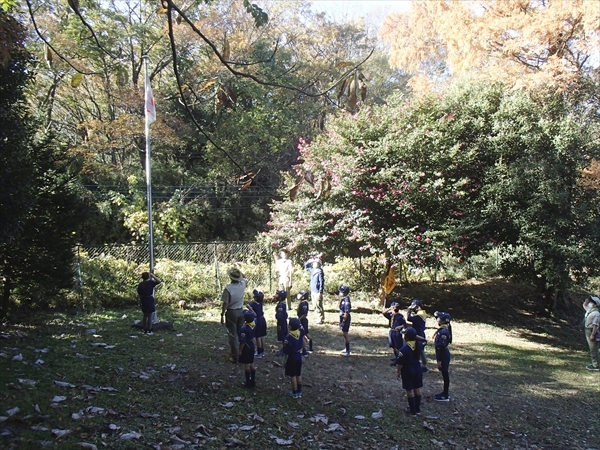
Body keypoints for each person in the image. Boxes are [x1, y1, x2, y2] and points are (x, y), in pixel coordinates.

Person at [393, 327, 424, 416]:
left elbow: (400, 363)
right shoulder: (419, 344)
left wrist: (398, 371)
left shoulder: (404, 349)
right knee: (417, 388)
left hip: (408, 369)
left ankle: (412, 410)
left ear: (406, 337)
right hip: (417, 368)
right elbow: (424, 340)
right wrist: (415, 336)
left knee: (409, 389)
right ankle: (417, 409)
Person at [220, 268, 247, 363]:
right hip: (240, 310)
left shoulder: (228, 288)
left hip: (231, 312)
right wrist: (239, 272)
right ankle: (243, 352)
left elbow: (225, 304)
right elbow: (244, 277)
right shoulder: (242, 284)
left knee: (233, 334)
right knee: (241, 333)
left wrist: (222, 314)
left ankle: (235, 356)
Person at [433, 311, 452, 401]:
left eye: (440, 318)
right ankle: (444, 393)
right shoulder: (444, 328)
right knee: (444, 373)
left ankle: (445, 394)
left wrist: (439, 360)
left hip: (443, 354)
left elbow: (441, 346)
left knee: (445, 374)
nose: (438, 319)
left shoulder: (443, 331)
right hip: (442, 353)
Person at [283, 317, 304, 398]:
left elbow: (286, 351)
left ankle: (294, 392)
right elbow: (303, 329)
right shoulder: (301, 332)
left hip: (292, 357)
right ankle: (299, 391)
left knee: (292, 375)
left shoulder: (288, 338)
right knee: (298, 374)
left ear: (290, 327)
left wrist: (284, 362)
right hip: (299, 355)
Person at [407, 299, 429, 373]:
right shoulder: (422, 313)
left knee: (420, 350)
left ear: (418, 307)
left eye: (414, 308)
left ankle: (424, 366)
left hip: (419, 334)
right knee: (418, 350)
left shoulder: (420, 315)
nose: (413, 309)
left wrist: (408, 311)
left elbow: (409, 318)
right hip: (418, 333)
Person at [304, 256, 325, 324]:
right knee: (314, 305)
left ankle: (320, 318)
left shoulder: (319, 272)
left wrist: (320, 292)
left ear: (319, 264)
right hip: (313, 290)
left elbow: (321, 282)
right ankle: (317, 317)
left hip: (317, 291)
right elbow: (306, 267)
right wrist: (309, 261)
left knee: (318, 304)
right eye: (313, 263)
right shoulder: (313, 270)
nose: (314, 264)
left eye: (315, 263)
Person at [238, 310, 256, 388]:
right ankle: (253, 380)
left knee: (247, 365)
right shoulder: (254, 324)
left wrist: (240, 350)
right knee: (251, 363)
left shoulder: (243, 329)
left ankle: (248, 382)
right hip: (252, 344)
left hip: (246, 346)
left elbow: (242, 341)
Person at [248, 289, 267, 358]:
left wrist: (249, 308)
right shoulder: (261, 303)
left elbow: (254, 313)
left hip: (258, 320)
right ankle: (262, 351)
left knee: (258, 337)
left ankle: (259, 352)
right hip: (262, 319)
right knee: (262, 336)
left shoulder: (253, 304)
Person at [583, 295, 600, 371]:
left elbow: (595, 325)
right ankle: (595, 363)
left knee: (594, 348)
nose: (590, 303)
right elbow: (585, 306)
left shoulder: (596, 313)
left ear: (595, 304)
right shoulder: (590, 310)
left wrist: (593, 335)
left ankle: (596, 365)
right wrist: (586, 302)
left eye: (592, 302)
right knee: (591, 348)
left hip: (591, 331)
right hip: (587, 330)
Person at [296, 290, 313, 355]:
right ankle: (308, 348)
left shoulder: (304, 304)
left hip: (303, 321)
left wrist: (299, 320)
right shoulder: (301, 302)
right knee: (305, 334)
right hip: (301, 320)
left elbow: (304, 314)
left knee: (303, 335)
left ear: (303, 297)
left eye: (300, 294)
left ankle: (305, 350)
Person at [338, 285, 352, 356]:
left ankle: (348, 350)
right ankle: (346, 348)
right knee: (344, 334)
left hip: (345, 318)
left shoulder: (346, 301)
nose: (340, 293)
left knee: (345, 334)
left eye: (341, 291)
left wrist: (343, 321)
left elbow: (346, 312)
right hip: (342, 317)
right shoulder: (343, 299)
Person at [274, 290, 289, 355]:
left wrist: (279, 325)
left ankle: (284, 350)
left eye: (278, 295)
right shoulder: (282, 304)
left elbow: (280, 316)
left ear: (280, 297)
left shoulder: (280, 305)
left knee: (283, 336)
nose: (276, 295)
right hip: (283, 321)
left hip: (281, 322)